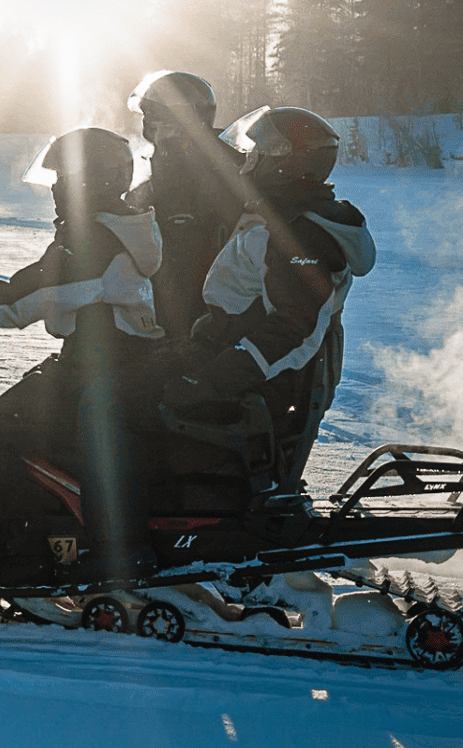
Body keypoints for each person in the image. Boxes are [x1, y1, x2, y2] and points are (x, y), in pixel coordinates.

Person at [0, 126, 164, 572]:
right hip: (101, 364)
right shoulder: (111, 229)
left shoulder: (94, 242)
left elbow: (24, 298)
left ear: (92, 179)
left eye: (64, 178)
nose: (56, 188)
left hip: (99, 373)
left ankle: (22, 552)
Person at [159, 106, 374, 479]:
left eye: (258, 154)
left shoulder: (300, 233)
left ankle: (123, 529)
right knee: (120, 377)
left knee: (122, 404)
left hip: (259, 377)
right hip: (228, 353)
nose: (249, 162)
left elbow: (295, 328)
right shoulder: (282, 215)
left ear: (284, 164)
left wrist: (213, 378)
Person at [123, 70, 244, 338]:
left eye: (158, 120)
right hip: (164, 321)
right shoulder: (166, 173)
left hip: (205, 328)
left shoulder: (220, 175)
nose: (150, 128)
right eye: (149, 120)